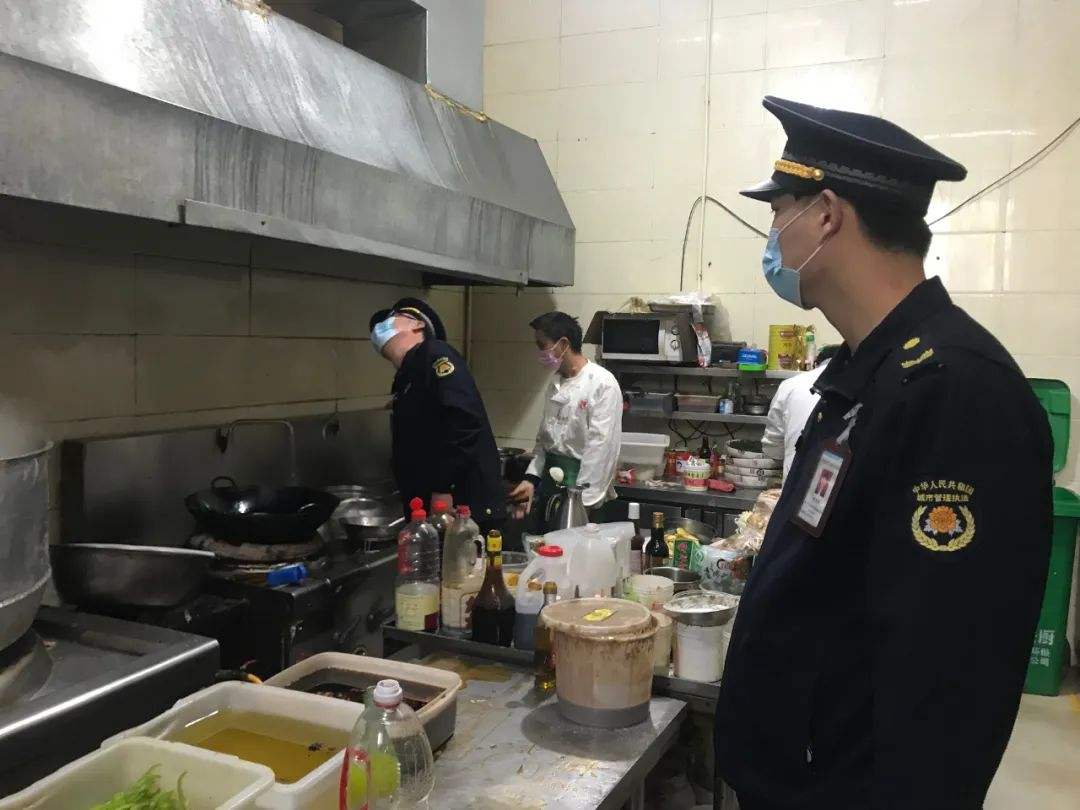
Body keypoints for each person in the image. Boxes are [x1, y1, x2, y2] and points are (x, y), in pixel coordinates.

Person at [714, 96, 1053, 809]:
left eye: (778, 212)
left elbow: (947, 683)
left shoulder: (954, 391)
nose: (771, 236)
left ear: (826, 215)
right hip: (796, 780)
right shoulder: (863, 375)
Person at [369, 298, 505, 534]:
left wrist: (444, 487)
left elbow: (464, 421)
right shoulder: (409, 374)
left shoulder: (434, 353)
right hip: (436, 508)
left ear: (418, 325)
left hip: (459, 510)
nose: (382, 326)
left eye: (393, 318)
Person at [509, 312, 622, 529]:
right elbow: (545, 439)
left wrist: (582, 503)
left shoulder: (602, 383)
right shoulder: (556, 383)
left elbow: (601, 448)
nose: (539, 352)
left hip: (582, 491)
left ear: (563, 344)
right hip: (550, 487)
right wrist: (531, 479)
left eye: (542, 345)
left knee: (577, 546)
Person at [761, 344, 839, 480]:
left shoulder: (790, 385)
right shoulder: (867, 386)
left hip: (796, 483)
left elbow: (773, 448)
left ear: (815, 364)